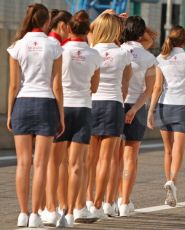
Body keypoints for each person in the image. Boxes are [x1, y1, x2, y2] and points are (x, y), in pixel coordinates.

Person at [7, 3, 65, 227]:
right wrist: (60, 116)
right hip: (46, 104)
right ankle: (35, 215)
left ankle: (22, 213)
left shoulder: (17, 46)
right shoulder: (53, 46)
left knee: (23, 163)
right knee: (41, 164)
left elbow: (13, 85)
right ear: (46, 22)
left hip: (22, 103)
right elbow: (57, 85)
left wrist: (10, 113)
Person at [52, 10, 102, 227]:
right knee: (77, 165)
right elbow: (94, 87)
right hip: (83, 108)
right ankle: (73, 210)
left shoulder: (59, 51)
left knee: (59, 163)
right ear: (87, 31)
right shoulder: (94, 55)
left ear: (69, 29)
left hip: (61, 108)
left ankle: (59, 207)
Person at [147, 25, 185, 207]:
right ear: (184, 40)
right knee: (179, 147)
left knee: (167, 149)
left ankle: (168, 180)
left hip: (164, 105)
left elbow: (157, 87)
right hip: (182, 106)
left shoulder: (161, 58)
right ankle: (173, 181)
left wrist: (151, 110)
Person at [85, 13, 131, 218]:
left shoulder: (92, 49)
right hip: (113, 104)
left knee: (89, 159)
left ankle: (85, 200)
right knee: (106, 159)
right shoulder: (123, 53)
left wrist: (103, 15)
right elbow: (125, 86)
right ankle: (97, 204)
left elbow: (87, 29)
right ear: (117, 31)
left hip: (92, 103)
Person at [118, 16, 156, 216]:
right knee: (130, 156)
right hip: (137, 106)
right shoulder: (148, 57)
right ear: (141, 33)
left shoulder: (117, 50)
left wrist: (122, 22)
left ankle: (110, 199)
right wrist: (134, 109)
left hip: (116, 104)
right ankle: (124, 202)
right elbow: (148, 90)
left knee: (112, 157)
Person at [41, 9, 72, 226]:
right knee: (54, 162)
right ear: (62, 25)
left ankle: (45, 206)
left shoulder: (43, 43)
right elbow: (57, 85)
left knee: (44, 162)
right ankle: (51, 207)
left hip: (32, 102)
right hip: (52, 104)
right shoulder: (56, 46)